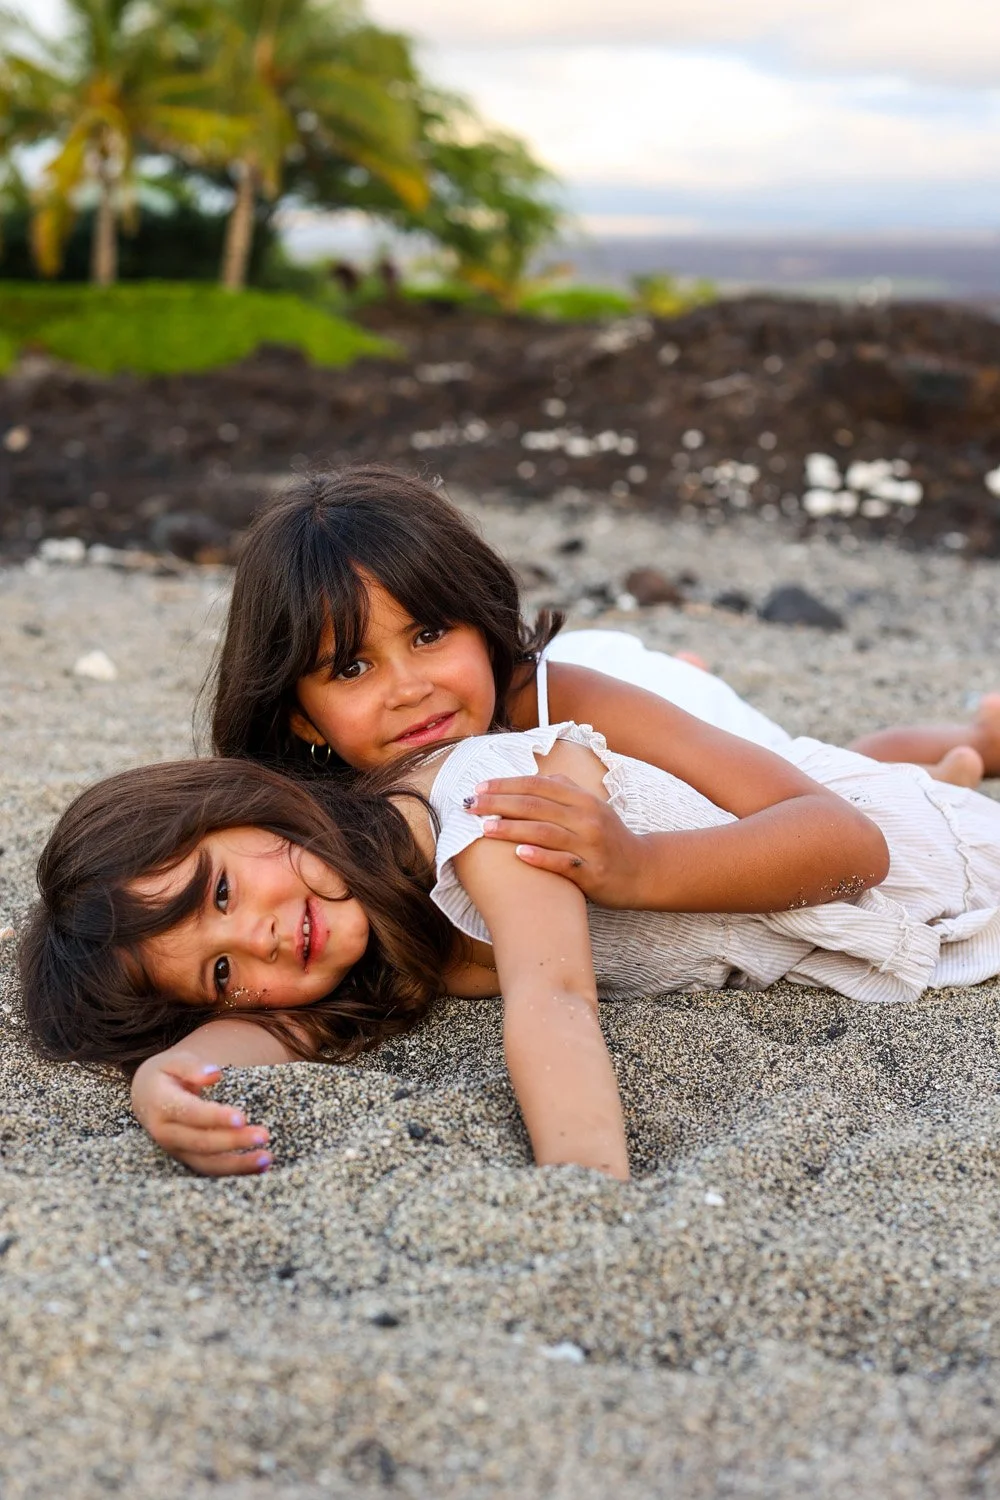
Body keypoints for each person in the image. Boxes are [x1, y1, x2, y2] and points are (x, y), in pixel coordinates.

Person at [21, 712, 1000, 1183]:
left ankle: (952, 760)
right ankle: (948, 754)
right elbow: (279, 1034)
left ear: (240, 807)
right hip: (792, 905)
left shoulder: (482, 816)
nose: (263, 933)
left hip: (889, 873)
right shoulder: (359, 939)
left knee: (911, 808)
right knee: (864, 767)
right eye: (221, 971)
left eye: (225, 889)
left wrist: (583, 1186)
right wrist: (172, 1072)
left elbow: (555, 1001)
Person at [207, 470, 997, 914]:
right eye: (350, 668)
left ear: (482, 624)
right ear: (296, 714)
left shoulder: (561, 696)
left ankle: (971, 740)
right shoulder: (300, 816)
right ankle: (948, 763)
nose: (408, 689)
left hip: (647, 702)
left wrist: (641, 866)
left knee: (813, 768)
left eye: (427, 634)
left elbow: (846, 839)